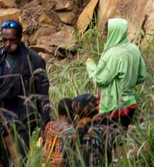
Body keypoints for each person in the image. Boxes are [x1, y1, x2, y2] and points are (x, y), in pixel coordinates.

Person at [0, 20, 50, 160]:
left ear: (19, 38)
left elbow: (42, 95)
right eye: (4, 40)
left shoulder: (34, 60)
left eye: (11, 40)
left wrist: (45, 123)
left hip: (22, 120)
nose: (7, 44)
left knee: (19, 158)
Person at [86, 17, 147, 157]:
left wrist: (90, 65)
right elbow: (142, 76)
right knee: (120, 139)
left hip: (113, 106)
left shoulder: (113, 54)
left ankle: (118, 162)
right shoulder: (134, 49)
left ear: (114, 33)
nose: (103, 36)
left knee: (110, 142)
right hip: (129, 105)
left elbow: (100, 79)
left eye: (106, 33)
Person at [40, 99, 76, 167]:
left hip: (45, 163)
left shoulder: (49, 125)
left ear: (58, 112)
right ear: (73, 113)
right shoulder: (70, 130)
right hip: (59, 164)